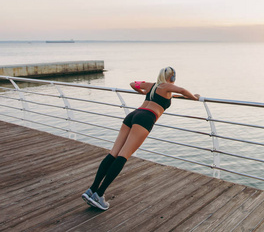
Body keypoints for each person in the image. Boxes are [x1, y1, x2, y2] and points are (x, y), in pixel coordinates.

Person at [81, 66, 200, 210]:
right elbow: (181, 90)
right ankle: (99, 194)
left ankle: (92, 190)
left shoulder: (152, 86)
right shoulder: (167, 86)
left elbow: (133, 84)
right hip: (146, 118)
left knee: (113, 153)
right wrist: (194, 97)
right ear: (172, 77)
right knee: (123, 156)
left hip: (133, 115)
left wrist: (143, 92)